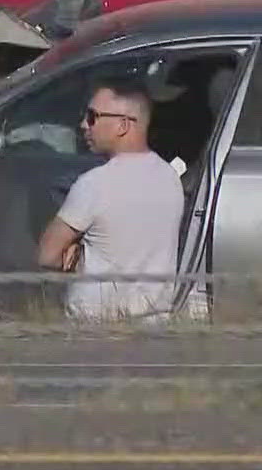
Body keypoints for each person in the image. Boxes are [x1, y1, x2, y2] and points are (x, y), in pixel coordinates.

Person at [35, 78, 194, 321]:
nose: (83, 125)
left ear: (123, 125)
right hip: (154, 324)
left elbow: (47, 254)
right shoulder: (170, 179)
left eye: (92, 117)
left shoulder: (94, 183)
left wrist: (76, 255)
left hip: (94, 328)